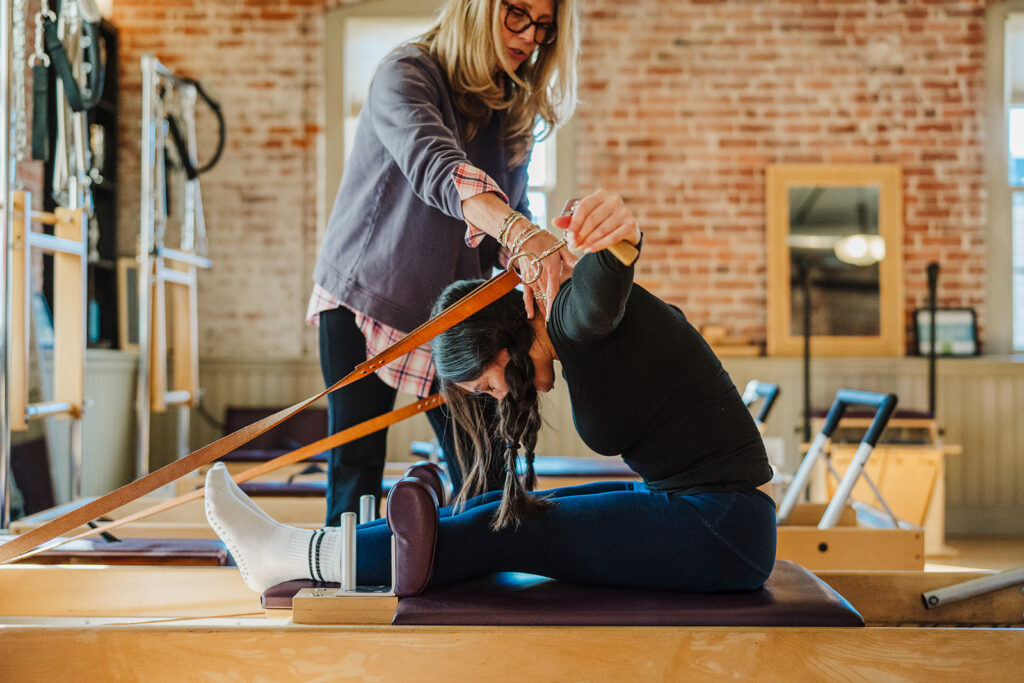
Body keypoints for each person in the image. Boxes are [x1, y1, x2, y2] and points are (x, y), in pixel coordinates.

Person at [207, 193, 777, 594]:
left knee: (508, 528)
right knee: (493, 506)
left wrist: (618, 235)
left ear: (505, 337)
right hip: (704, 514)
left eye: (486, 383)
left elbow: (608, 276)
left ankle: (291, 556)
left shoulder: (574, 318)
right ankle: (317, 546)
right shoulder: (566, 321)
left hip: (722, 532)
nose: (499, 397)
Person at [308, 0, 580, 525]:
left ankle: (487, 589)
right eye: (516, 14)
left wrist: (551, 270)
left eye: (543, 26)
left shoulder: (509, 108)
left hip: (453, 321)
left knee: (487, 474)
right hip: (366, 296)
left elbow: (511, 213)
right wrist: (521, 232)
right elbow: (436, 165)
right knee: (355, 468)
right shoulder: (405, 72)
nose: (529, 37)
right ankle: (344, 583)